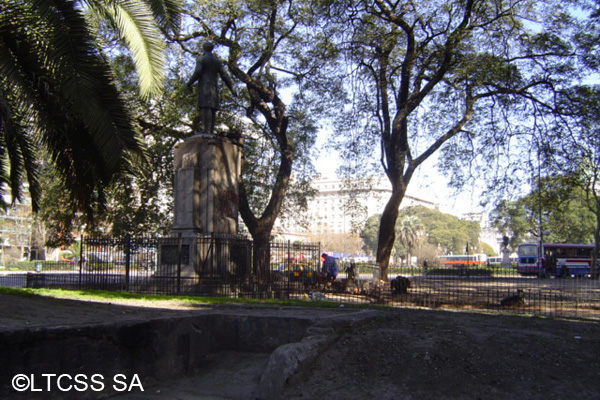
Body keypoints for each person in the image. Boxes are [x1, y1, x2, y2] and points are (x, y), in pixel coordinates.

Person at [186, 42, 237, 134]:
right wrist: (231, 88)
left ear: (203, 48)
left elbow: (197, 71)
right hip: (214, 87)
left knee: (206, 107)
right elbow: (225, 76)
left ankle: (206, 130)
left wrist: (190, 83)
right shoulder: (217, 61)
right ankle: (210, 131)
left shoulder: (201, 59)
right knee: (212, 108)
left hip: (205, 86)